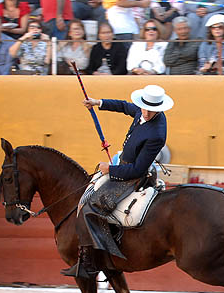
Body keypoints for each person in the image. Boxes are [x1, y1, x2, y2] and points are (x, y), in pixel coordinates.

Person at [62, 84, 174, 279]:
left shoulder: (157, 133)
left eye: (152, 111)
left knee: (90, 208)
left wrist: (110, 169)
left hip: (131, 175)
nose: (146, 113)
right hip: (123, 163)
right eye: (145, 108)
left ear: (159, 109)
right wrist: (98, 103)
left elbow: (137, 169)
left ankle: (91, 262)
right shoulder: (142, 110)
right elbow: (124, 106)